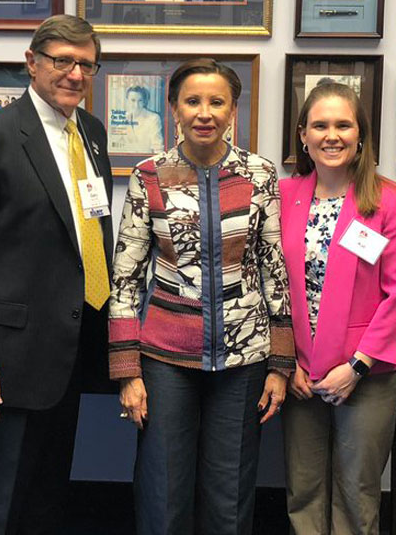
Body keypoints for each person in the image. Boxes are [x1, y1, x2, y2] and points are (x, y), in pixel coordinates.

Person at [0, 14, 114, 534]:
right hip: (3, 364)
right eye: (62, 61)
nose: (75, 74)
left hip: (68, 352)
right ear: (32, 63)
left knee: (44, 500)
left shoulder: (92, 134)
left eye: (86, 64)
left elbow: (86, 234)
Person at [110, 57, 295, 535]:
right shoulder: (149, 175)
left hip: (245, 357)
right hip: (166, 356)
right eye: (193, 101)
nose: (204, 112)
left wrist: (280, 363)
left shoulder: (259, 174)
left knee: (230, 491)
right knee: (162, 487)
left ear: (233, 110)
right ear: (174, 108)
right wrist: (127, 371)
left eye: (217, 102)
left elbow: (274, 269)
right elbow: (126, 278)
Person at [279, 82, 396, 535]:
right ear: (303, 135)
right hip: (299, 375)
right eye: (320, 125)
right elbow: (271, 286)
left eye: (344, 124)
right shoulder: (284, 197)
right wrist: (287, 363)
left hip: (366, 376)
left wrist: (357, 366)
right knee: (302, 490)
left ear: (361, 135)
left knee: (356, 494)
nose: (331, 135)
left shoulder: (391, 200)